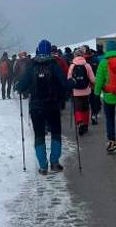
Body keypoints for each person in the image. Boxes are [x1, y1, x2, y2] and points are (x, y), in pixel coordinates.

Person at [16, 40, 72, 175]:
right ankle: (54, 162)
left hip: (36, 107)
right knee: (56, 133)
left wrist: (20, 86)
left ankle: (42, 166)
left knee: (39, 135)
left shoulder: (32, 65)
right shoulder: (54, 64)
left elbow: (21, 86)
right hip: (53, 105)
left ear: (38, 50)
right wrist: (71, 84)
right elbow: (65, 83)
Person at [67, 47, 95, 135]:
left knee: (77, 108)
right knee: (85, 108)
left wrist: (70, 87)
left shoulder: (72, 65)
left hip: (76, 91)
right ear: (83, 55)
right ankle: (86, 125)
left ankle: (79, 122)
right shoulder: (87, 65)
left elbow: (69, 78)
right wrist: (92, 84)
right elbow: (92, 79)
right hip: (86, 90)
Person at [88, 45, 104, 125]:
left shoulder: (82, 61)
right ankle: (94, 114)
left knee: (87, 101)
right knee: (94, 99)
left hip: (85, 85)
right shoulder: (96, 59)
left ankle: (84, 119)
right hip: (95, 82)